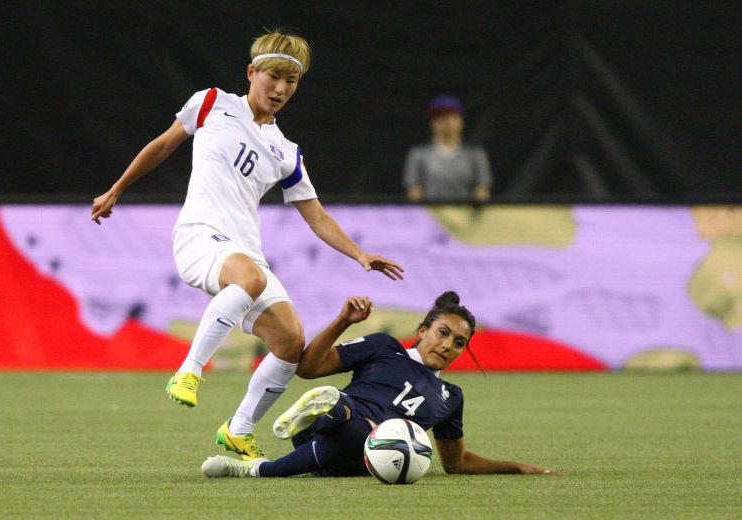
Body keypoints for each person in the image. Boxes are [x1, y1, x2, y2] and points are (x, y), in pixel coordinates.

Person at [90, 31, 404, 461]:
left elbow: (316, 215)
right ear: (251, 73)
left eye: (291, 82)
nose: (280, 89)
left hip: (244, 252)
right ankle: (189, 370)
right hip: (199, 235)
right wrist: (116, 189)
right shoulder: (211, 102)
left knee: (291, 342)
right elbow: (162, 146)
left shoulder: (287, 152)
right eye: (274, 77)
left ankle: (238, 430)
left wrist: (360, 254)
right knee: (251, 278)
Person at [201, 292, 557, 478]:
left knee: (366, 433)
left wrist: (517, 467)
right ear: (422, 331)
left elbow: (457, 462)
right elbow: (308, 368)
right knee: (352, 419)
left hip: (370, 457)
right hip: (329, 433)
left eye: (459, 342)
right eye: (443, 333)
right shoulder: (385, 347)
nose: (448, 345)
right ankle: (323, 413)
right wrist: (343, 320)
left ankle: (315, 422)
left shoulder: (452, 397)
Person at [403, 95, 493, 202]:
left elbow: (482, 190)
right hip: (431, 210)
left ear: (461, 121)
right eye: (441, 118)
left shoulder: (476, 154)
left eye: (452, 117)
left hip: (465, 210)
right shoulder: (419, 154)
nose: (447, 122)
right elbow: (414, 191)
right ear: (432, 123)